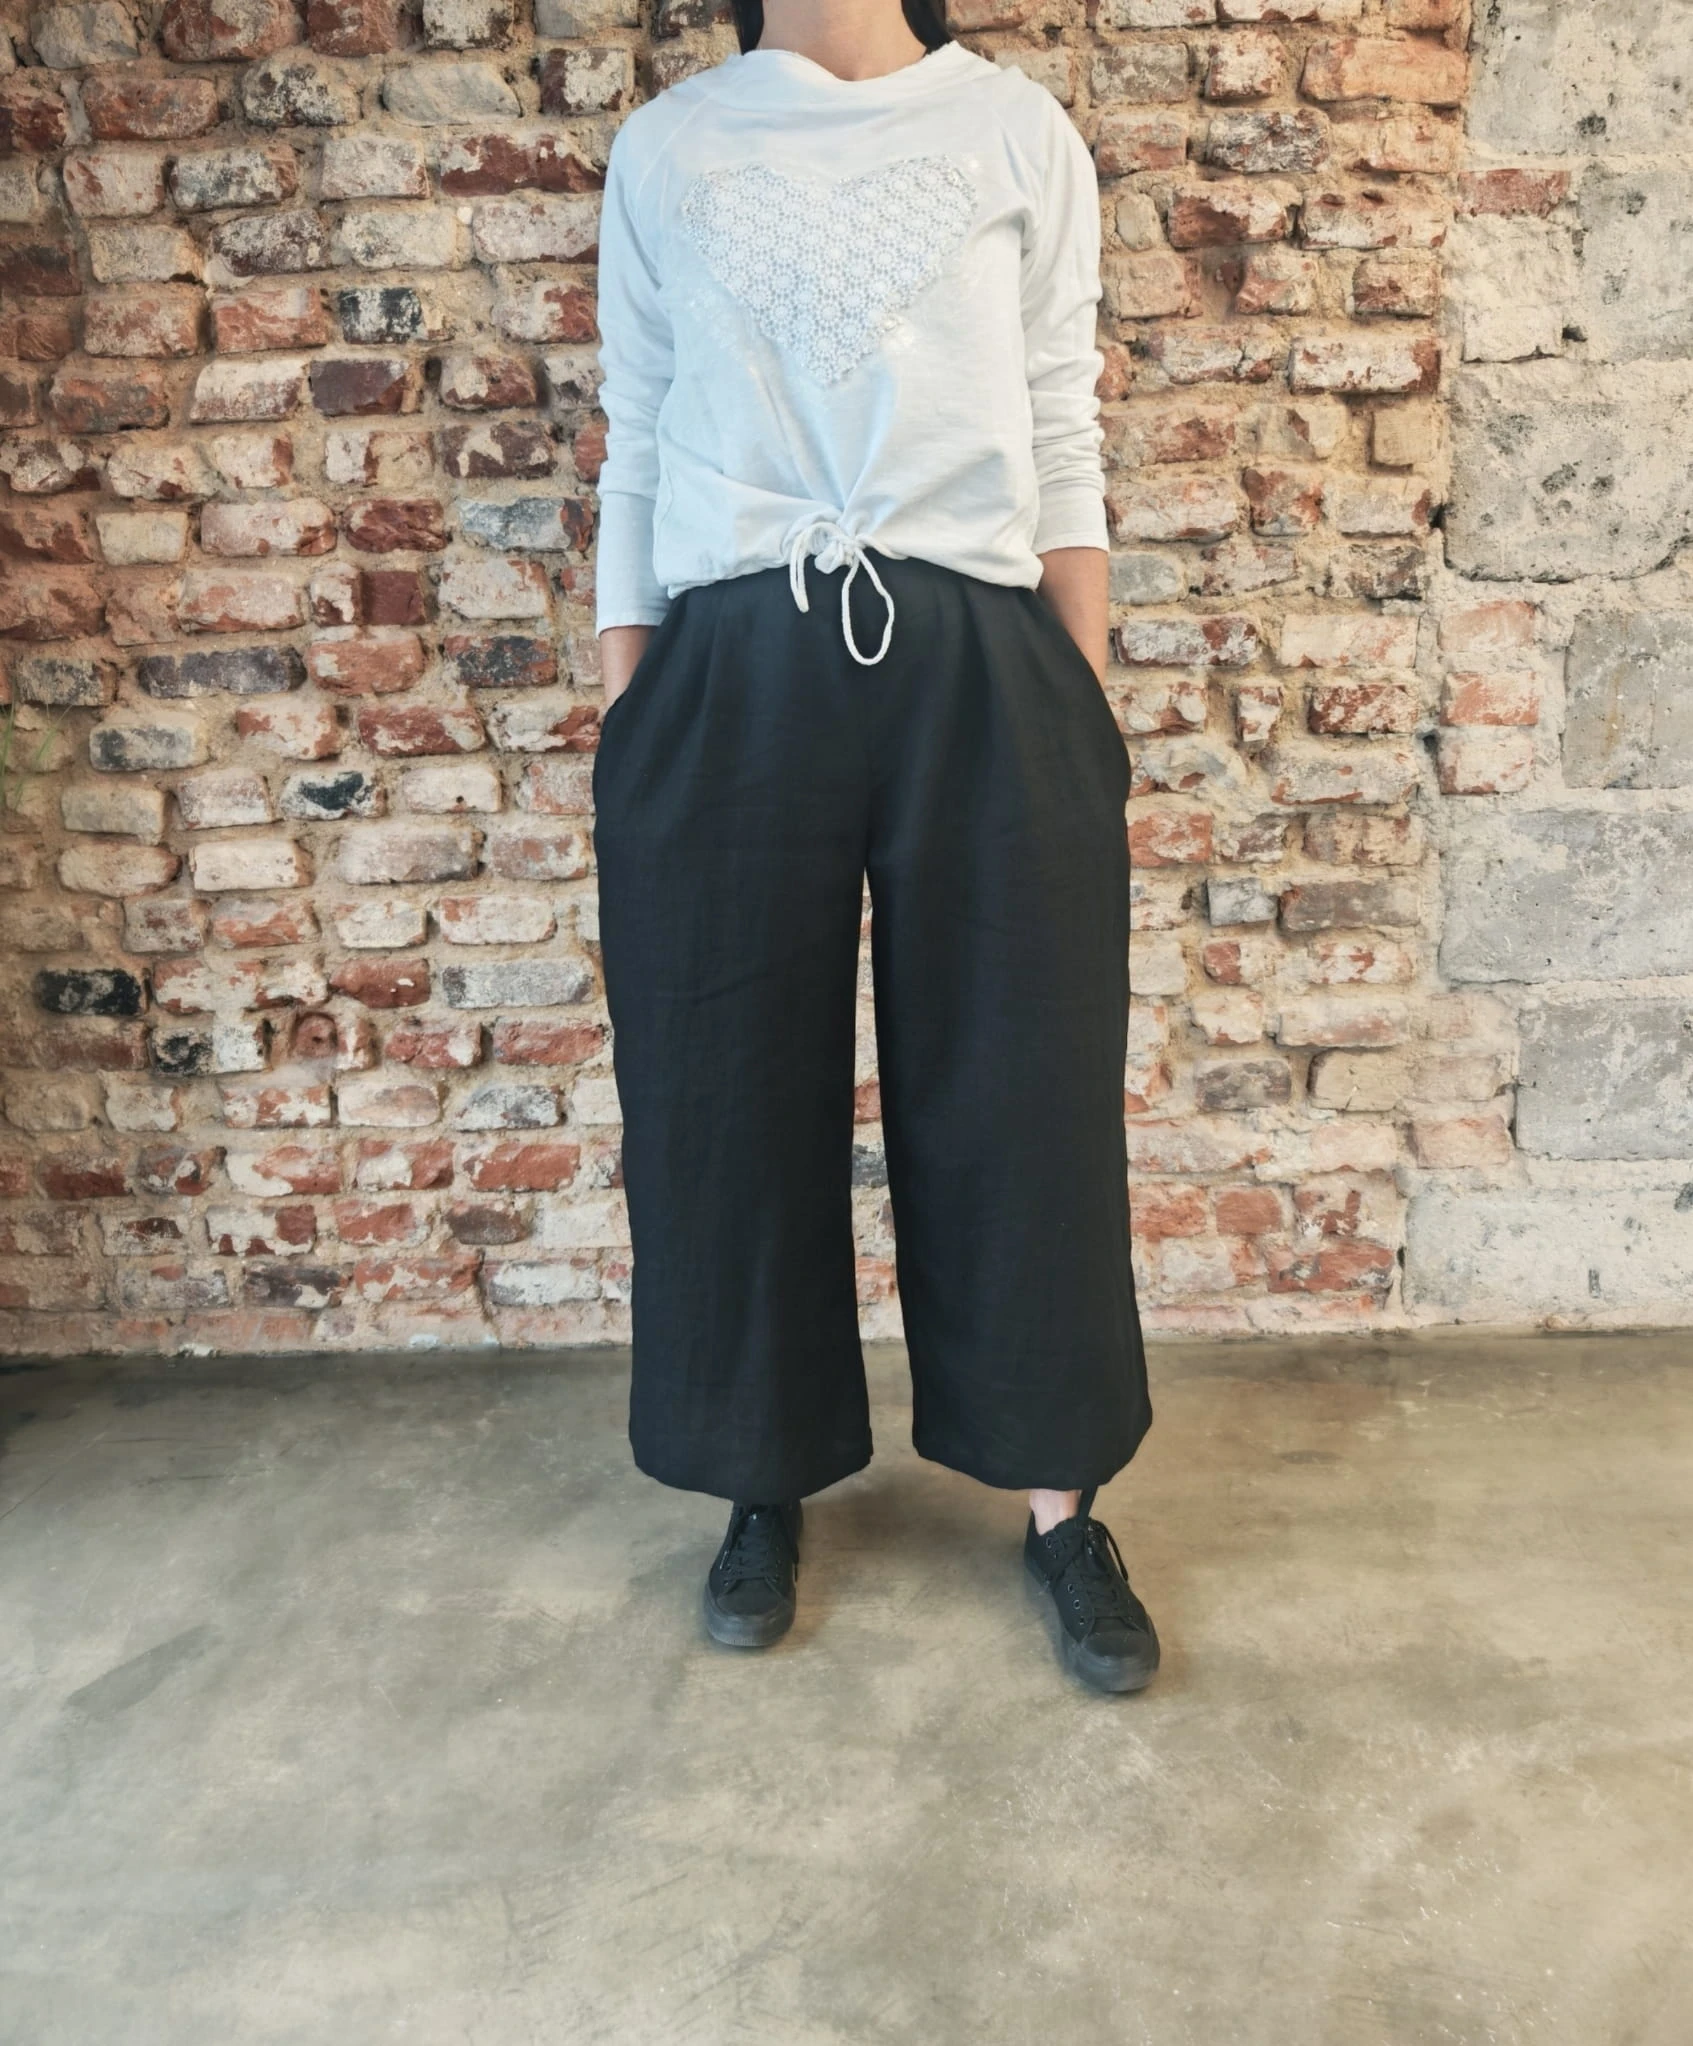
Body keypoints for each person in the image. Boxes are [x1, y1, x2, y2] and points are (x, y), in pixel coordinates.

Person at [590, 0, 1159, 1693]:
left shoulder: (1015, 133)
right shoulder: (670, 146)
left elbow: (1062, 426)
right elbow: (637, 430)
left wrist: (1081, 710)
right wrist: (634, 711)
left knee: (1025, 1089)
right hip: (728, 657)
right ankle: (755, 1475)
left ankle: (1062, 1506)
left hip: (983, 652)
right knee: (723, 1089)